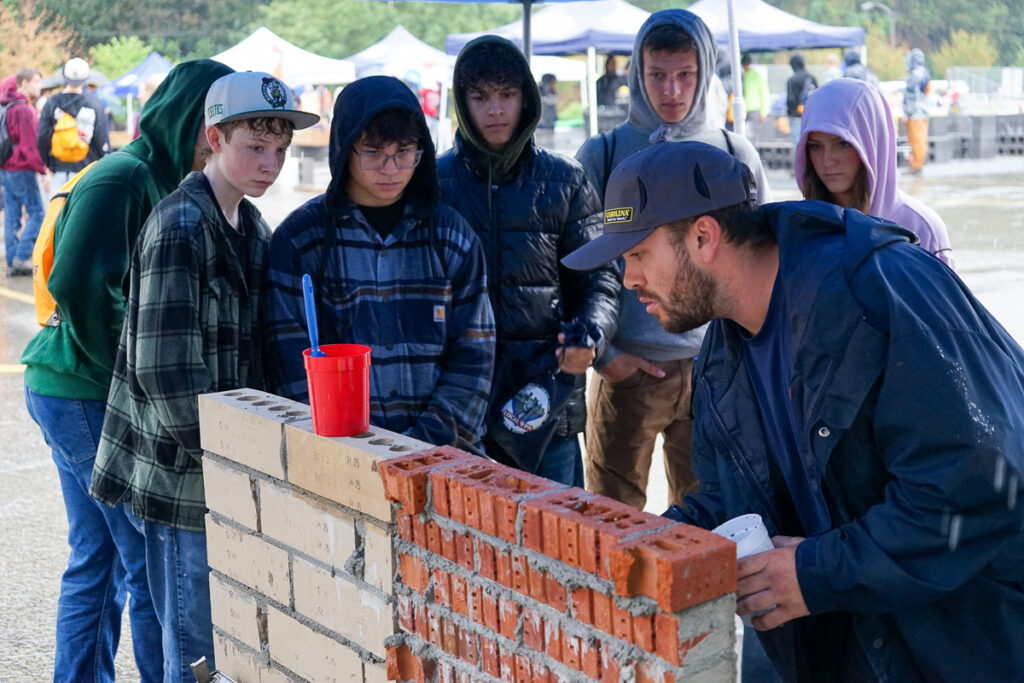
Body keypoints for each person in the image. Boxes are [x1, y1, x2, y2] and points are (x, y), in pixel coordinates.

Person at [562, 139, 1024, 682]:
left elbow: (982, 483)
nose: (628, 278)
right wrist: (640, 551)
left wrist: (814, 574)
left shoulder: (879, 289)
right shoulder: (721, 351)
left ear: (704, 237)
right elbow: (728, 498)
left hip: (966, 642)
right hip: (852, 646)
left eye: (638, 254)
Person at [89, 71, 315, 681]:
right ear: (214, 138)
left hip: (226, 472)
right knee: (195, 652)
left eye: (279, 150)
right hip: (186, 481)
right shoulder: (181, 225)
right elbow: (164, 372)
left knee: (225, 644)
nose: (270, 164)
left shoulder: (252, 227)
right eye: (255, 146)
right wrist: (227, 465)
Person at [21, 58, 233, 683]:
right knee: (145, 561)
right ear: (186, 120)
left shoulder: (166, 179)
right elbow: (81, 285)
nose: (216, 142)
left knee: (100, 560)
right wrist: (135, 378)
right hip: (82, 391)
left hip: (74, 389)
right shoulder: (125, 177)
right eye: (211, 127)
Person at [575, 9, 771, 510]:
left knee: (713, 516)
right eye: (657, 75)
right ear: (636, 74)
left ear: (705, 73)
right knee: (611, 518)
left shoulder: (735, 154)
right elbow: (574, 264)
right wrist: (606, 356)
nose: (672, 91)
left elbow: (762, 265)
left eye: (686, 74)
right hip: (628, 370)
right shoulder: (603, 154)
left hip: (716, 368)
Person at [263, 75, 496, 451]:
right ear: (344, 149)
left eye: (404, 152)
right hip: (340, 457)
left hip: (442, 455)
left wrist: (420, 445)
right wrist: (351, 449)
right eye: (372, 153)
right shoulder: (302, 240)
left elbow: (475, 356)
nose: (391, 169)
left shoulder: (452, 236)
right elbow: (290, 363)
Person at [437, 36, 618, 486]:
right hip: (458, 407)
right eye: (481, 97)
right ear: (462, 102)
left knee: (560, 528)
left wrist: (590, 335)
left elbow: (601, 277)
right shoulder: (435, 183)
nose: (496, 110)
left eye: (507, 94)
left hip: (548, 405)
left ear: (527, 98)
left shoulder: (566, 180)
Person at [795, 77, 955, 269]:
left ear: (873, 142)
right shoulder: (798, 229)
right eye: (815, 146)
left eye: (843, 144)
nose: (827, 160)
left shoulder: (922, 229)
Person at [36, 57, 108, 192]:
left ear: (64, 75)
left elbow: (42, 136)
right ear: (86, 78)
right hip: (86, 169)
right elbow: (100, 138)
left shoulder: (52, 102)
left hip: (58, 167)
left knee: (57, 205)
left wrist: (47, 164)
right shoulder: (95, 104)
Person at [1, 68, 47, 276]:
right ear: (24, 83)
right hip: (21, 169)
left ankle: (13, 262)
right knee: (37, 213)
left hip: (6, 168)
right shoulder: (24, 109)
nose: (40, 86)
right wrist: (42, 170)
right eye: (36, 81)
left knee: (12, 217)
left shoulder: (7, 105)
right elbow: (29, 146)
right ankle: (22, 256)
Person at [903, 48, 931, 174]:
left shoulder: (914, 75)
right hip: (923, 111)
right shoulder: (925, 72)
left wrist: (906, 112)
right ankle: (917, 164)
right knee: (921, 139)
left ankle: (916, 166)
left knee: (916, 140)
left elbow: (911, 96)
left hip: (915, 113)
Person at [785, 53, 816, 152]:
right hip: (811, 116)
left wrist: (790, 112)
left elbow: (790, 99)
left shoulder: (792, 80)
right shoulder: (811, 77)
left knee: (798, 144)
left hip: (796, 116)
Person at [740, 53, 770, 150]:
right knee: (746, 133)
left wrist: (763, 112)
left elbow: (764, 94)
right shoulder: (742, 76)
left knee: (753, 134)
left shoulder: (757, 76)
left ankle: (752, 152)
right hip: (745, 109)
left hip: (753, 109)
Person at [537, 73, 558, 149]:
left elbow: (554, 101)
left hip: (549, 122)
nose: (554, 83)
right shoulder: (539, 91)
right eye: (553, 81)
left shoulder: (551, 91)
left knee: (550, 144)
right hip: (541, 123)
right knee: (540, 145)